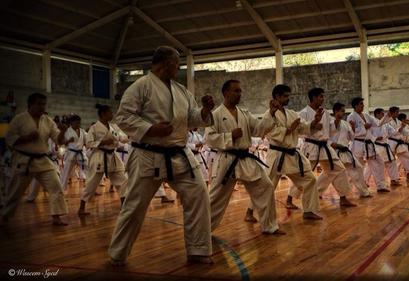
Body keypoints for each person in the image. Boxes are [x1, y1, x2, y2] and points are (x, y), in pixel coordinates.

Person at [108, 46, 215, 265]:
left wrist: (204, 111)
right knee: (135, 206)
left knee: (198, 194)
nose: (179, 67)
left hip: (179, 153)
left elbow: (192, 118)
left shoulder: (181, 90)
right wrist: (151, 128)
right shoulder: (140, 87)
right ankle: (117, 254)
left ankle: (198, 249)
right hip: (149, 154)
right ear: (164, 63)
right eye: (176, 63)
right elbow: (123, 117)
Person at [206, 79, 286, 234]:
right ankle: (202, 231)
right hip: (227, 160)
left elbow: (258, 129)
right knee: (215, 199)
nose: (239, 94)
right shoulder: (215, 115)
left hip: (245, 158)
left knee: (266, 186)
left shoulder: (244, 113)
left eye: (240, 91)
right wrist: (230, 136)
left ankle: (270, 226)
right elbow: (209, 139)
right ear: (225, 93)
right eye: (236, 91)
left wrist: (270, 113)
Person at [1, 93, 68, 226]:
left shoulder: (48, 120)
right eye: (39, 104)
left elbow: (58, 141)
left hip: (43, 160)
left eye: (43, 104)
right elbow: (9, 138)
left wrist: (62, 132)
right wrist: (26, 138)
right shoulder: (19, 119)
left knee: (56, 186)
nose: (42, 107)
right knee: (15, 191)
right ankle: (5, 216)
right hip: (24, 160)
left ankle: (56, 216)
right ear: (30, 104)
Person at [289, 88, 356, 208]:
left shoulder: (324, 112)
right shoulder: (303, 113)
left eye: (322, 96)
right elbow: (300, 130)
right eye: (320, 96)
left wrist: (337, 119)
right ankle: (289, 198)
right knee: (304, 173)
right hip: (311, 146)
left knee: (339, 169)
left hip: (325, 146)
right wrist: (313, 125)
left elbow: (332, 127)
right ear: (314, 98)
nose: (323, 99)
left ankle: (343, 197)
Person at [265, 84, 323, 220]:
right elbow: (269, 131)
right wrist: (289, 129)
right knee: (267, 187)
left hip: (291, 155)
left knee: (309, 180)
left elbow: (303, 127)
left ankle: (308, 210)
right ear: (277, 97)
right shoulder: (269, 114)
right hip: (277, 156)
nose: (288, 98)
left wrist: (314, 122)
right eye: (285, 96)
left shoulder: (291, 113)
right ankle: (250, 211)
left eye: (288, 96)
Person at [78, 104, 128, 215]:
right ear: (103, 114)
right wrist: (103, 142)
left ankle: (124, 205)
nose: (112, 114)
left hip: (113, 156)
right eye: (110, 112)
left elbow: (121, 138)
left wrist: (129, 135)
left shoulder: (113, 127)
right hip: (100, 157)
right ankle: (81, 207)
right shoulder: (94, 128)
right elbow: (89, 143)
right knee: (92, 183)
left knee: (122, 181)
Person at [347, 98, 392, 193]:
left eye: (363, 104)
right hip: (358, 145)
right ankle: (353, 188)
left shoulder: (366, 115)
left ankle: (381, 186)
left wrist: (387, 116)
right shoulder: (351, 117)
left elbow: (378, 123)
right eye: (361, 104)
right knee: (357, 168)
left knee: (379, 162)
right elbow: (351, 133)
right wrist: (364, 127)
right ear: (355, 106)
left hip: (368, 145)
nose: (363, 106)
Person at [329, 102, 372, 198]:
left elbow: (352, 138)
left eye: (344, 111)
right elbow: (324, 137)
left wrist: (352, 128)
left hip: (345, 151)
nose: (343, 113)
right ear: (335, 111)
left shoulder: (345, 124)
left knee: (358, 167)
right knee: (327, 174)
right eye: (342, 111)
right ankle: (318, 191)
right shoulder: (329, 123)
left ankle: (364, 192)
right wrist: (332, 144)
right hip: (333, 152)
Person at [366, 108, 401, 187]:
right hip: (376, 146)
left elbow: (393, 132)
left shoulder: (386, 124)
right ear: (377, 114)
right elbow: (367, 134)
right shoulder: (372, 123)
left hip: (385, 146)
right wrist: (375, 138)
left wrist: (400, 128)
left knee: (392, 162)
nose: (383, 115)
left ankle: (394, 179)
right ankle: (365, 180)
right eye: (382, 114)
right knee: (372, 166)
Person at [387, 107, 409, 181]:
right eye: (397, 112)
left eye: (398, 112)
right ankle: (393, 179)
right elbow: (391, 133)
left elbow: (405, 133)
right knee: (391, 162)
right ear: (392, 112)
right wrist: (401, 128)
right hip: (391, 142)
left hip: (400, 144)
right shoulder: (388, 121)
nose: (398, 113)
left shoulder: (399, 121)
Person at [60, 115, 87, 191]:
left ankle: (90, 188)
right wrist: (68, 141)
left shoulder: (82, 131)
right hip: (71, 154)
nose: (78, 124)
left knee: (89, 168)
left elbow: (87, 140)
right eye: (77, 123)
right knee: (66, 173)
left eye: (79, 123)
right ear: (71, 123)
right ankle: (61, 190)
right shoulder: (67, 131)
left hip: (80, 153)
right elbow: (61, 143)